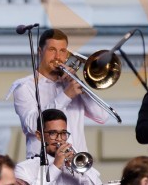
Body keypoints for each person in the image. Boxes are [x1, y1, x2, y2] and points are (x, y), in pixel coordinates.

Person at [8, 28, 109, 159]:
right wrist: (66, 96)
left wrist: (78, 83)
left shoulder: (72, 84)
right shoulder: (25, 87)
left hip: (79, 167)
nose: (58, 57)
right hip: (44, 168)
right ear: (40, 52)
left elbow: (102, 117)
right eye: (52, 50)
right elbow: (32, 125)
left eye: (62, 51)